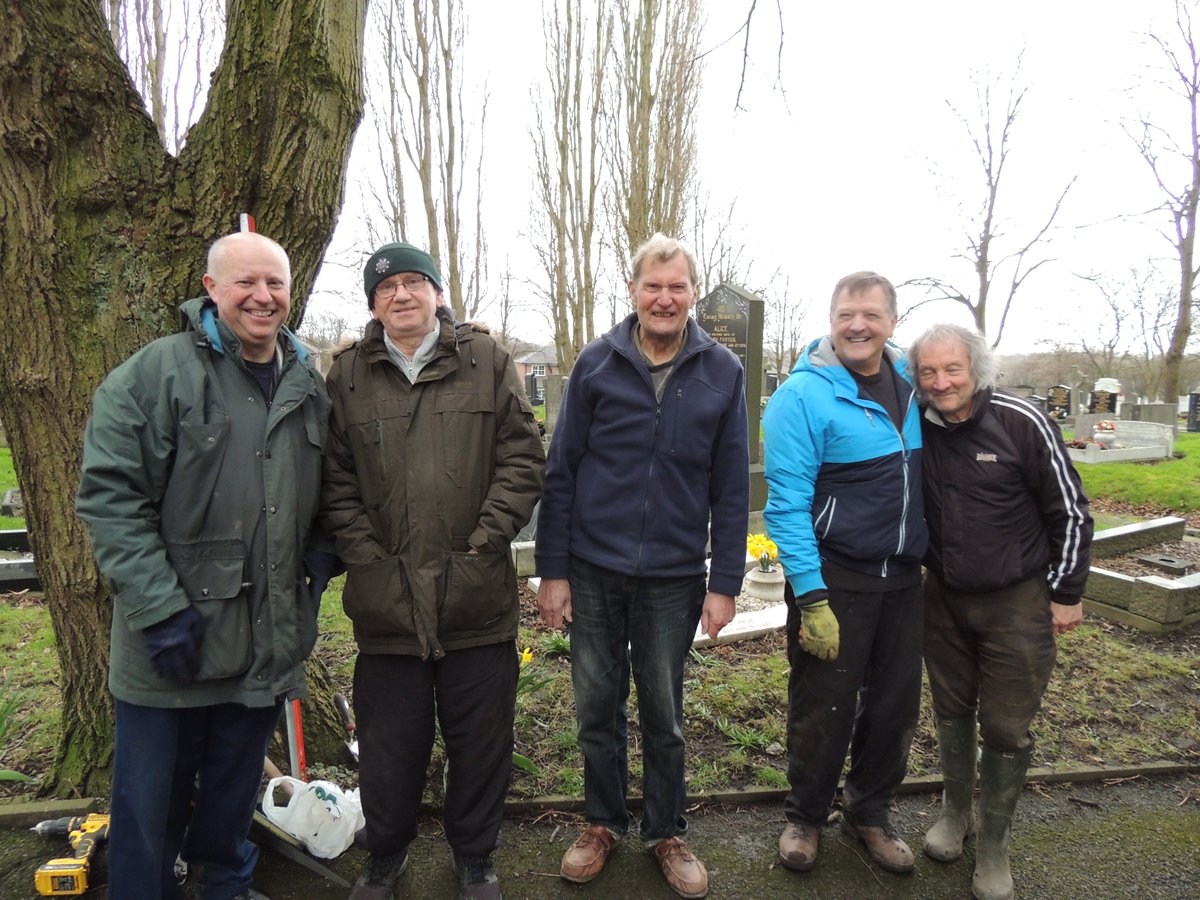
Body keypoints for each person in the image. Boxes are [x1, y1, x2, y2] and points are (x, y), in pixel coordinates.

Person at [76, 232, 330, 900]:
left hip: (263, 638)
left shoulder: (307, 381)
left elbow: (328, 495)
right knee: (149, 805)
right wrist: (159, 608)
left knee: (231, 793)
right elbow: (110, 499)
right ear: (211, 289)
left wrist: (320, 568)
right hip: (175, 642)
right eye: (245, 282)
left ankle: (225, 887)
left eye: (275, 283)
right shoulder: (156, 375)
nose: (262, 296)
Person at [320, 242, 544, 900]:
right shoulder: (348, 378)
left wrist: (483, 540)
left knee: (481, 743)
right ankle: (385, 856)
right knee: (391, 749)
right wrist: (365, 556)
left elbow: (522, 458)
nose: (402, 295)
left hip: (477, 598)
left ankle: (475, 856)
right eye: (386, 287)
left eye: (415, 282)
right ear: (373, 303)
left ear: (437, 293)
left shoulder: (486, 361)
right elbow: (334, 484)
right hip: (386, 603)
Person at [536, 233, 749, 900]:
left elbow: (732, 486)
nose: (664, 298)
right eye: (653, 286)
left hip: (674, 575)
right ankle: (601, 823)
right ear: (633, 291)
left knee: (665, 712)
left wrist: (725, 583)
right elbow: (561, 470)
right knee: (596, 707)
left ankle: (665, 831)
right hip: (594, 570)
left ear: (691, 293)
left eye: (677, 287)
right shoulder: (596, 363)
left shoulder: (722, 371)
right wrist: (553, 570)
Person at [908, 323, 1092, 900]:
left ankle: (994, 845)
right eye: (929, 372)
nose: (941, 383)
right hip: (943, 597)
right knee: (952, 709)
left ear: (976, 369)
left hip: (1016, 601)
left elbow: (1071, 510)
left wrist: (1066, 591)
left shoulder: (1020, 421)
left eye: (952, 370)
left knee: (1008, 725)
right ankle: (954, 813)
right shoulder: (917, 426)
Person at [762, 271, 927, 876]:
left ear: (891, 322)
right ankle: (804, 816)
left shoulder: (916, 382)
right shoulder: (801, 397)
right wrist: (811, 597)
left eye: (872, 315)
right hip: (835, 579)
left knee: (893, 709)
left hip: (906, 581)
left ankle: (870, 814)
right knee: (822, 707)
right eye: (846, 316)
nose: (858, 326)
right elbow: (785, 501)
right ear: (831, 321)